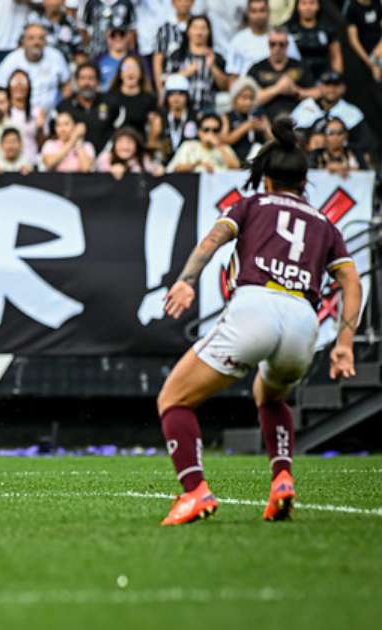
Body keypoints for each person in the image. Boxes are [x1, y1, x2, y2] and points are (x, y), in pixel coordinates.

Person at [156, 116, 360, 526]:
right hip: (305, 322)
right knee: (269, 395)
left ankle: (194, 491)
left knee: (173, 399)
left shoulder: (251, 204)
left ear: (265, 180)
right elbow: (351, 281)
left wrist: (185, 282)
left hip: (256, 305)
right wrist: (344, 343)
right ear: (305, 183)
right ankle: (282, 478)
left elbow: (212, 240)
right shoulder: (324, 225)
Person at [0, 23, 71, 111]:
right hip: (18, 114)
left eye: (41, 38)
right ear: (23, 41)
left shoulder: (56, 56)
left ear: (46, 41)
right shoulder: (10, 61)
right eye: (31, 38)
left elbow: (67, 86)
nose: (36, 42)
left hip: (51, 113)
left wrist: (59, 110)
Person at [162, 15, 228, 113]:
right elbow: (164, 81)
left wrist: (213, 67)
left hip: (208, 108)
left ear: (209, 32)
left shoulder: (216, 57)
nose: (199, 32)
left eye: (203, 28)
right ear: (188, 31)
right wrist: (186, 73)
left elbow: (225, 86)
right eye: (195, 28)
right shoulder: (177, 55)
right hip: (181, 109)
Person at [248, 28, 316, 120]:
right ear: (268, 44)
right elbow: (250, 100)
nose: (277, 48)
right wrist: (277, 89)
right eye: (273, 44)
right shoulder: (257, 68)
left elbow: (316, 93)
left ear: (287, 45)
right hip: (265, 117)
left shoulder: (300, 66)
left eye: (281, 44)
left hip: (297, 116)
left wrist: (295, 91)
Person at [227, 0, 299, 77]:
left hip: (281, 84)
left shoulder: (283, 37)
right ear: (248, 13)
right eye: (254, 11)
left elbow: (297, 68)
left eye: (262, 10)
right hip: (250, 85)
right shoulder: (238, 41)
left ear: (268, 12)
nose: (258, 15)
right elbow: (233, 76)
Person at [57, 63, 113, 156]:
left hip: (104, 161)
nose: (86, 83)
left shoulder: (110, 103)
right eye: (82, 78)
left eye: (91, 78)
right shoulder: (64, 106)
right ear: (76, 81)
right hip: (73, 162)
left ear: (98, 81)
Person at [102, 56, 158, 142]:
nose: (130, 71)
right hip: (114, 144)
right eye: (126, 67)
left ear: (141, 73)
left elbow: (154, 127)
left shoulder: (149, 99)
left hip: (140, 145)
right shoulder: (109, 97)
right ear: (120, 74)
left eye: (135, 67)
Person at [287, 0, 342, 81]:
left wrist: (336, 77)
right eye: (304, 3)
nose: (308, 7)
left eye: (312, 3)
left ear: (318, 6)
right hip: (297, 78)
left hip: (324, 78)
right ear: (297, 7)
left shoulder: (328, 29)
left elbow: (336, 56)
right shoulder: (289, 30)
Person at [167, 112, 240, 172]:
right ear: (199, 132)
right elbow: (175, 168)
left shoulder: (224, 148)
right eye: (206, 130)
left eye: (215, 130)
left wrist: (219, 145)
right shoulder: (188, 145)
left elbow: (236, 168)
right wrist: (198, 165)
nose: (211, 133)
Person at [221, 78, 269, 164]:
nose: (248, 102)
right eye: (244, 98)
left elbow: (271, 141)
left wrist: (265, 129)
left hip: (256, 161)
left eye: (251, 98)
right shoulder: (226, 116)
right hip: (234, 159)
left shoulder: (258, 116)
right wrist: (246, 127)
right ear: (235, 99)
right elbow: (224, 141)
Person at [5, 69, 45, 165]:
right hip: (7, 164)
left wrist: (40, 128)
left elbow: (42, 145)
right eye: (15, 82)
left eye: (23, 83)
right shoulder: (3, 110)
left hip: (30, 162)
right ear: (9, 87)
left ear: (29, 88)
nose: (19, 86)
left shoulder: (37, 111)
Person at [153, 0, 195, 87]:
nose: (184, 3)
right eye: (180, 0)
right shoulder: (165, 29)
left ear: (193, 2)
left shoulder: (199, 25)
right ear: (173, 3)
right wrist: (160, 89)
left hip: (193, 83)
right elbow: (157, 61)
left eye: (187, 0)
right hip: (169, 85)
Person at [29, 0, 84, 65]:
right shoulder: (35, 19)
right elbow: (23, 43)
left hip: (64, 66)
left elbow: (78, 50)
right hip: (37, 65)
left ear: (63, 2)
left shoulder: (69, 22)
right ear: (43, 2)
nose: (53, 3)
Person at [96, 127, 164, 179]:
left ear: (136, 145)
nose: (125, 146)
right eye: (120, 142)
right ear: (114, 145)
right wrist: (109, 172)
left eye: (129, 142)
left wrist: (159, 170)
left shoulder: (143, 159)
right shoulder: (105, 158)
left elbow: (153, 169)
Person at [159, 74, 197, 159]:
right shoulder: (159, 119)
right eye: (172, 94)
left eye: (181, 94)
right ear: (166, 97)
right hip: (165, 162)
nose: (176, 98)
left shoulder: (196, 117)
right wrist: (160, 146)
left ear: (187, 96)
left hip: (189, 162)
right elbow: (150, 142)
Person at [346, 0, 382, 82]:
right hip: (366, 54)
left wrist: (378, 51)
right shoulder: (352, 8)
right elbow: (353, 41)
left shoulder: (377, 3)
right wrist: (371, 63)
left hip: (379, 48)